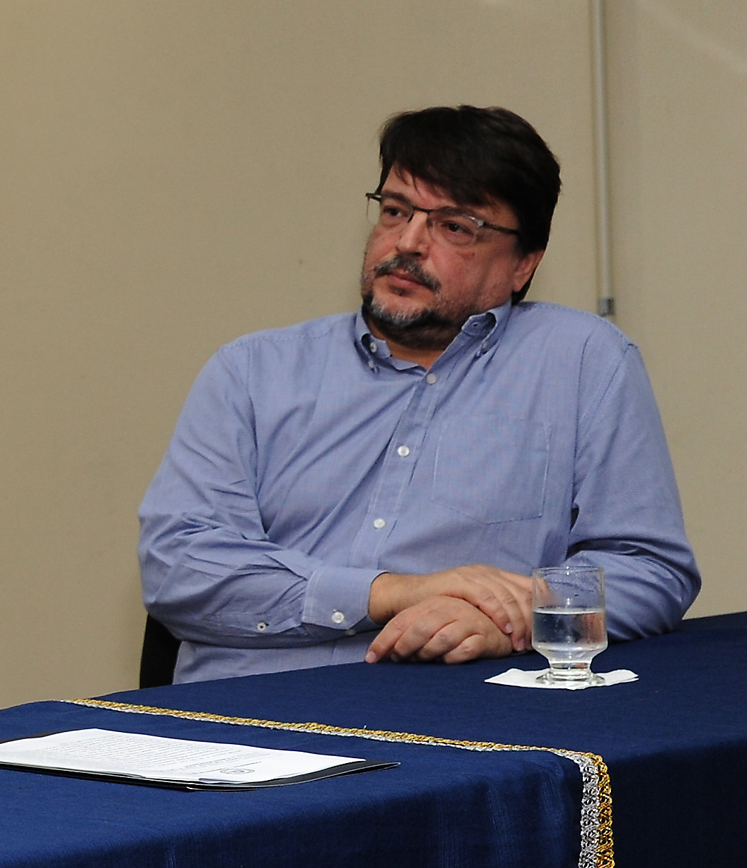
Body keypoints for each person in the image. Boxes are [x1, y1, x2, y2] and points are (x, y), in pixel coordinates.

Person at [139, 105, 697, 682]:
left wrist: (518, 618)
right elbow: (179, 569)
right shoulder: (253, 372)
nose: (406, 242)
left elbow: (650, 571)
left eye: (454, 226)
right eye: (395, 210)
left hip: (455, 721)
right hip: (242, 720)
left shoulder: (583, 361)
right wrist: (396, 593)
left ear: (523, 265)